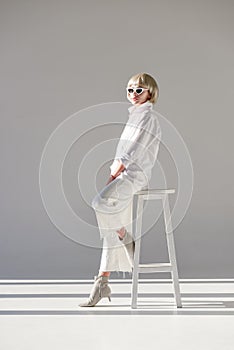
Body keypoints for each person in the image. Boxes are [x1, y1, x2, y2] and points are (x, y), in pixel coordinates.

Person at [79, 72, 161, 307]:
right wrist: (114, 173)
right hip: (124, 173)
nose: (133, 94)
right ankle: (102, 282)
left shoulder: (149, 118)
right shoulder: (134, 116)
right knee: (109, 224)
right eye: (130, 90)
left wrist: (115, 171)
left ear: (150, 93)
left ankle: (125, 236)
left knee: (100, 204)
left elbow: (133, 150)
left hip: (135, 176)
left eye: (139, 90)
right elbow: (124, 151)